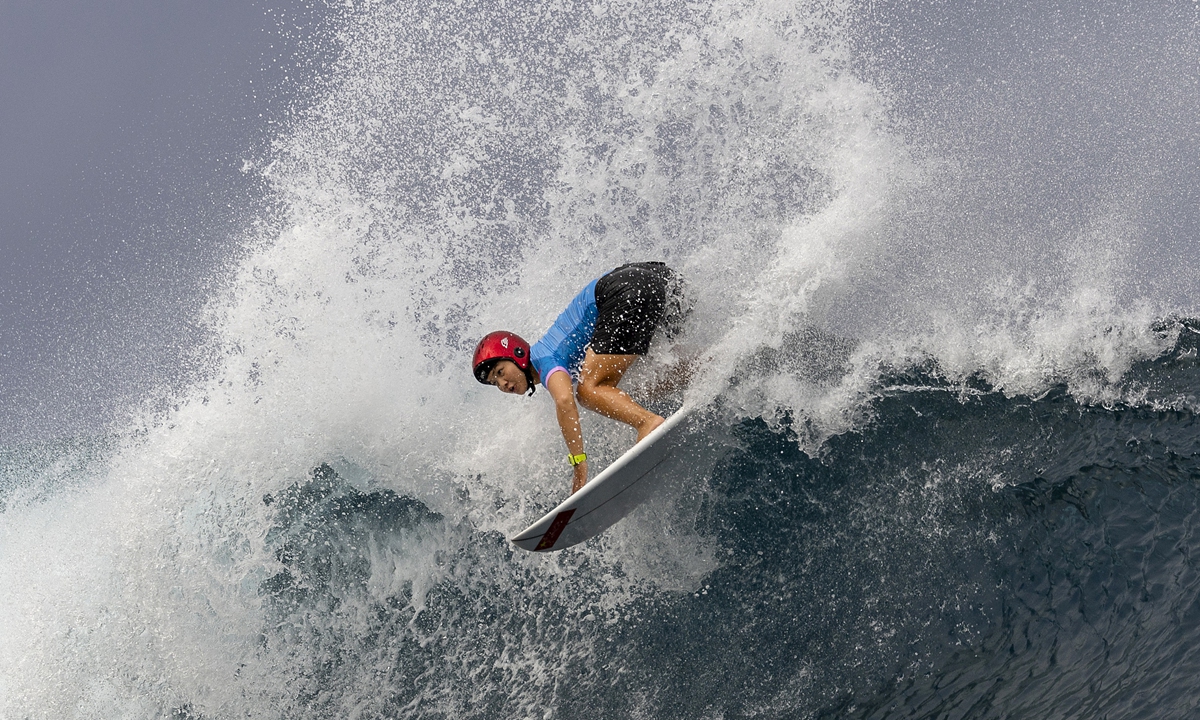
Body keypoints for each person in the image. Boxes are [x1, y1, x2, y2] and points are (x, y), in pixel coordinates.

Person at [472, 261, 689, 494]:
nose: (503, 384)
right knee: (628, 390)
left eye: (500, 372)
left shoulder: (544, 359)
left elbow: (565, 400)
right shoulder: (551, 352)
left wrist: (579, 464)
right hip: (654, 279)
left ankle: (647, 423)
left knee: (588, 392)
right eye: (495, 383)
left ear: (517, 353)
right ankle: (701, 368)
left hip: (622, 290)